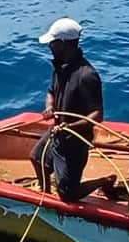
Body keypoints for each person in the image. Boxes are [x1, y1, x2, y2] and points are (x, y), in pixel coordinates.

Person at [30, 18, 104, 203]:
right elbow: (51, 91)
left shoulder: (87, 75)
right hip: (57, 132)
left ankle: (104, 181)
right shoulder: (60, 67)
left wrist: (71, 126)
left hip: (74, 141)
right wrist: (49, 107)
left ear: (63, 44)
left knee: (68, 194)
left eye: (53, 43)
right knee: (36, 158)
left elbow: (97, 114)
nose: (50, 47)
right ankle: (46, 197)